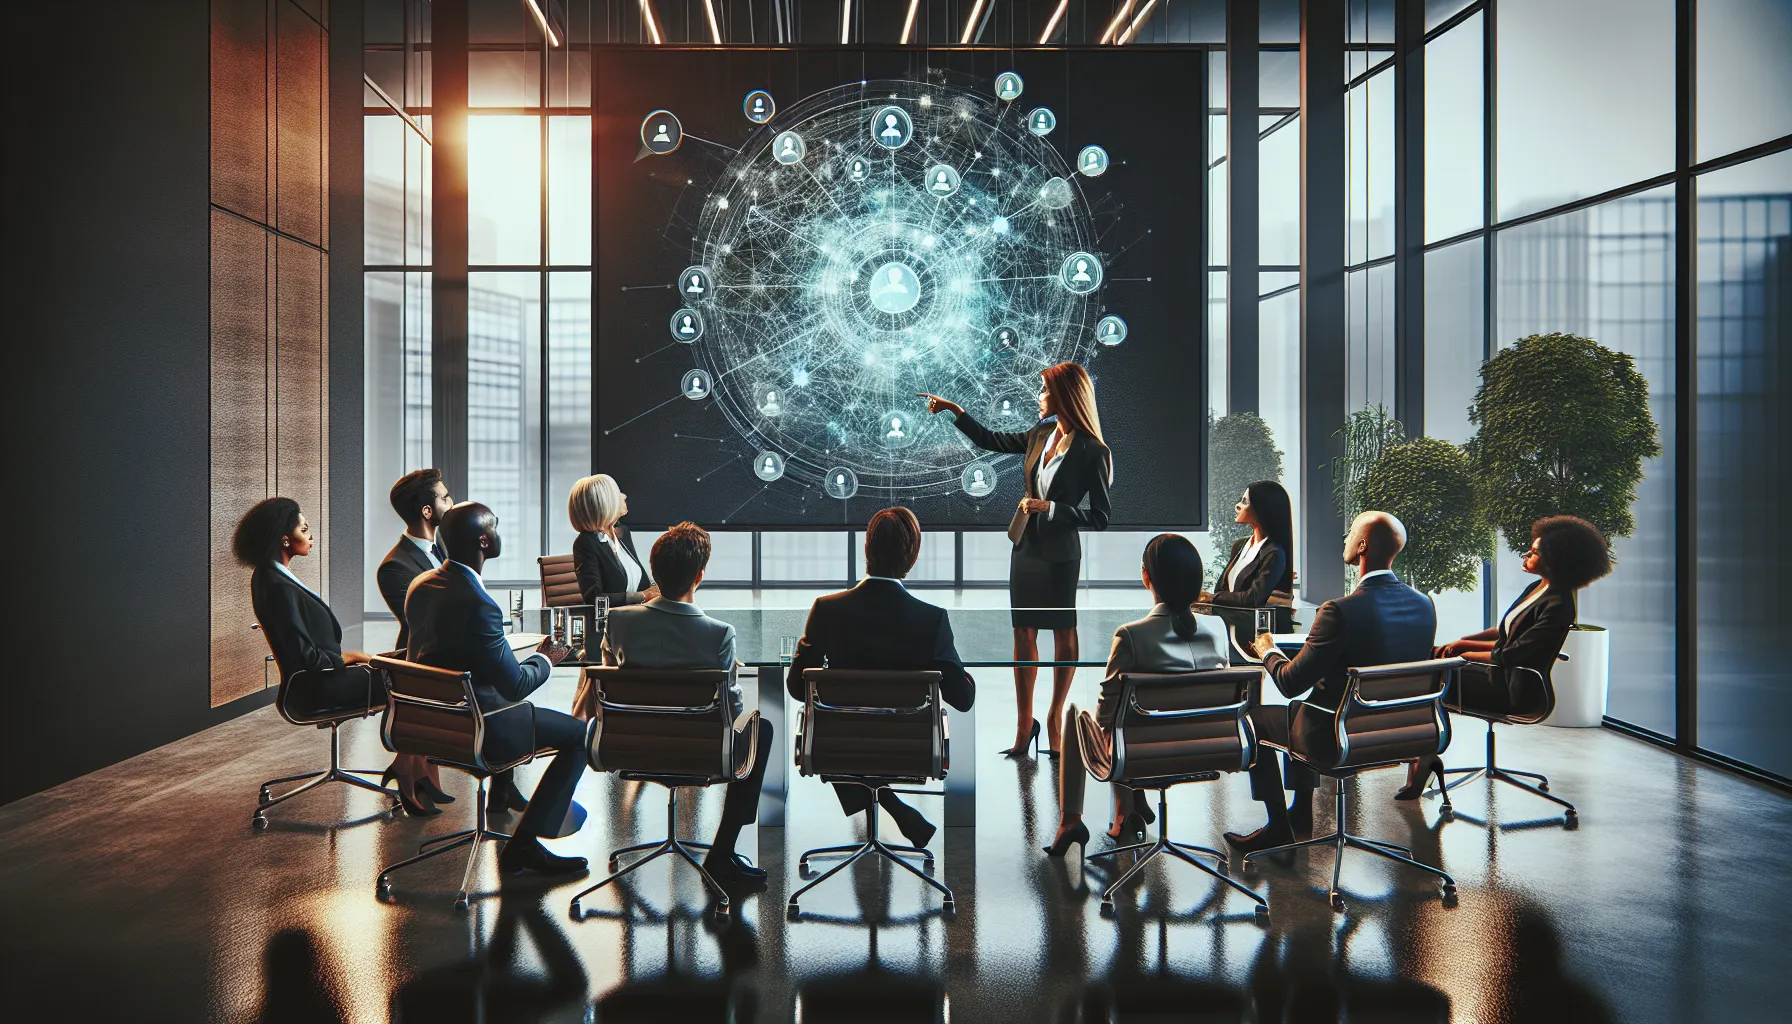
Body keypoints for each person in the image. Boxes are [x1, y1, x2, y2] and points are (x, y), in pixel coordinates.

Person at [920, 361, 1112, 759]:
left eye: (1044, 391)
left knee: (1063, 634)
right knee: (1023, 633)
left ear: (1064, 396)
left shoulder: (1093, 451)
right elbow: (989, 440)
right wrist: (955, 411)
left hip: (1061, 555)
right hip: (1025, 549)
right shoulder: (1040, 434)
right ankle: (1025, 725)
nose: (1039, 397)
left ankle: (1055, 717)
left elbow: (1101, 517)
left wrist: (1052, 508)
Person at [1228, 511, 1436, 853]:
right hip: (1398, 734)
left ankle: (1279, 825)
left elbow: (1290, 682)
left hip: (1339, 737)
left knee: (1255, 719)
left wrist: (1268, 650)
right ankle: (1300, 814)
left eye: (1351, 532)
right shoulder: (1423, 604)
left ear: (1363, 545)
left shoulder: (1339, 611)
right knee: (1305, 708)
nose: (1346, 539)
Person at [405, 502, 584, 879]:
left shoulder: (421, 586)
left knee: (509, 699)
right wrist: (547, 658)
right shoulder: (479, 603)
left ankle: (502, 797)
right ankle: (524, 846)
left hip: (433, 723)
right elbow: (516, 685)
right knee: (579, 735)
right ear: (485, 541)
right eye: (496, 527)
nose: (500, 533)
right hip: (482, 728)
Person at [787, 507, 976, 850]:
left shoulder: (826, 610)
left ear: (867, 550)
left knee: (836, 723)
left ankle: (891, 804)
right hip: (907, 750)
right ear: (912, 557)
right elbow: (962, 699)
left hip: (837, 747)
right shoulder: (930, 620)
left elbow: (797, 688)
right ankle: (893, 805)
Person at [598, 522, 774, 888]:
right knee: (763, 728)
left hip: (631, 747)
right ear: (699, 576)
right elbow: (731, 707)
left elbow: (613, 678)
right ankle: (722, 852)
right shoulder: (719, 633)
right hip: (699, 753)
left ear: (655, 572)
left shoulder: (617, 621)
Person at [237, 497, 431, 814]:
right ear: (285, 539)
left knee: (411, 657)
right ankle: (408, 768)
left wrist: (354, 657)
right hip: (316, 688)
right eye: (304, 529)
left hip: (317, 681)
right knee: (416, 680)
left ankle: (408, 766)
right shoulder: (275, 584)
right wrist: (350, 657)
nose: (310, 535)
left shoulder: (274, 576)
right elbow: (307, 658)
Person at [1396, 515, 1612, 799]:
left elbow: (1511, 653)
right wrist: (1461, 642)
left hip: (1514, 690)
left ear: (1555, 560)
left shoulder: (1558, 605)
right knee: (1428, 659)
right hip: (1498, 676)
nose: (1526, 554)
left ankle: (1422, 757)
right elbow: (1504, 630)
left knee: (1426, 681)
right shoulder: (1538, 588)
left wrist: (1460, 654)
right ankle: (1421, 753)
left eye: (1533, 552)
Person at [1045, 535, 1229, 856]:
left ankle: (1071, 821)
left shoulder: (1131, 635)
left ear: (1147, 578)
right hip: (1205, 750)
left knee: (1081, 716)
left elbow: (1105, 715)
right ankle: (1126, 811)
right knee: (1126, 722)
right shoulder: (1217, 630)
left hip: (1144, 756)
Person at [373, 468, 455, 807]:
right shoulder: (395, 566)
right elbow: (420, 620)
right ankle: (409, 768)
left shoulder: (442, 548)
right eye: (445, 498)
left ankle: (414, 769)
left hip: (445, 653)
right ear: (426, 511)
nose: (452, 503)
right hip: (420, 661)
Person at [569, 474, 657, 610]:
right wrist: (641, 596)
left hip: (639, 614)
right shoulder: (586, 543)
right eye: (617, 493)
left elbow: (642, 582)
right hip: (613, 622)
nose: (624, 496)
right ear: (604, 502)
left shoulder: (622, 533)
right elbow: (594, 598)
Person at [1203, 481, 1295, 608]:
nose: (1237, 506)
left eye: (1245, 502)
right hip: (1227, 622)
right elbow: (1221, 589)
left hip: (1253, 625)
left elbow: (1254, 598)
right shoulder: (1240, 545)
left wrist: (1212, 598)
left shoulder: (1274, 553)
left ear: (1262, 508)